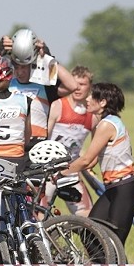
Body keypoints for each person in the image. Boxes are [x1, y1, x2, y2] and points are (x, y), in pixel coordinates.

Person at [58, 82, 134, 266]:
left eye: (91, 97)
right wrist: (66, 165)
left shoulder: (107, 125)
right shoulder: (105, 123)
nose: (86, 99)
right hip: (113, 190)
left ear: (102, 102)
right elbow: (92, 160)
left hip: (125, 190)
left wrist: (59, 172)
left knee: (115, 243)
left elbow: (86, 160)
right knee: (89, 233)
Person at [0, 29, 77, 151]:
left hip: (37, 146)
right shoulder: (7, 84)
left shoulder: (44, 85)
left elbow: (72, 85)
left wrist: (48, 59)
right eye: (16, 67)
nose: (20, 72)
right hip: (11, 143)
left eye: (24, 67)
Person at [45, 65, 98, 216]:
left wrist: (86, 165)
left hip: (71, 172)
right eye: (76, 84)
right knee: (39, 216)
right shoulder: (58, 105)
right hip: (48, 171)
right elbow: (43, 139)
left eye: (83, 84)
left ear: (90, 87)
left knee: (88, 216)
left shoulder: (92, 115)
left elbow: (95, 148)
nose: (78, 88)